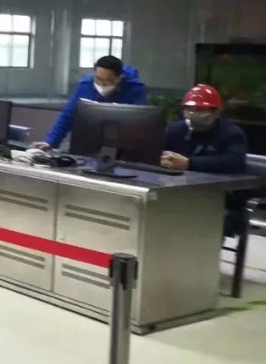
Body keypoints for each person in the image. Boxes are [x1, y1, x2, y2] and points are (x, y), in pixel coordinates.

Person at [162, 84, 248, 237]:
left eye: (200, 110)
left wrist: (189, 163)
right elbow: (156, 150)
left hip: (218, 199)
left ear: (216, 112)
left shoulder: (231, 133)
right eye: (189, 109)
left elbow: (234, 162)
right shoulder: (175, 130)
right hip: (177, 193)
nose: (193, 113)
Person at [39, 55, 147, 148]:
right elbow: (68, 116)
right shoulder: (85, 86)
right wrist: (50, 142)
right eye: (98, 79)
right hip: (87, 143)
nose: (102, 84)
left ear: (119, 78)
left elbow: (141, 123)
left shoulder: (134, 89)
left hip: (123, 145)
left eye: (108, 81)